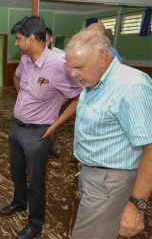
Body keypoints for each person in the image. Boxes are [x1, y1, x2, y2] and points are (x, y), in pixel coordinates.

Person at [0, 16, 83, 239]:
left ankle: (35, 223)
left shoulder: (59, 66)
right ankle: (19, 203)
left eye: (18, 39)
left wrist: (54, 124)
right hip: (17, 128)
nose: (16, 43)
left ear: (32, 38)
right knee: (16, 172)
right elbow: (17, 78)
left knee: (36, 181)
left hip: (39, 133)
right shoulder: (25, 60)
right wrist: (23, 100)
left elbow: (77, 98)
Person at [65, 29, 152, 238]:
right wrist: (87, 158)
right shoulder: (93, 78)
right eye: (70, 67)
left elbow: (150, 147)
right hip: (94, 172)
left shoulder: (131, 87)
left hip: (111, 181)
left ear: (103, 58)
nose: (72, 74)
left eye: (78, 67)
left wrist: (136, 206)